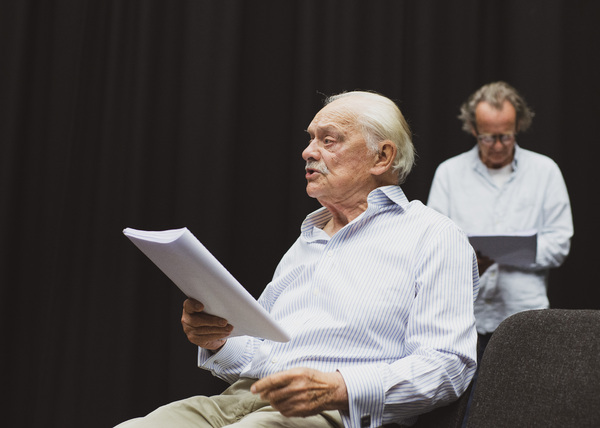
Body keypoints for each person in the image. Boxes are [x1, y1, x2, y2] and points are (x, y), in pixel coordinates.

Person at [116, 91, 479, 428]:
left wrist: (339, 388)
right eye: (310, 138)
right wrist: (218, 340)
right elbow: (264, 353)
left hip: (336, 413)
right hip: (244, 398)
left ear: (381, 157)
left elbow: (449, 366)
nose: (308, 151)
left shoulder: (433, 235)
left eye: (328, 139)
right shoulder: (309, 239)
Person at [427, 81, 574, 360]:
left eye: (505, 136)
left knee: (526, 400)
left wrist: (511, 252)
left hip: (526, 317)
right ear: (473, 129)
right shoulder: (449, 173)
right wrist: (470, 260)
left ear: (518, 126)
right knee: (470, 403)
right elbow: (435, 245)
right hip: (465, 317)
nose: (496, 145)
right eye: (487, 137)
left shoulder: (545, 171)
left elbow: (559, 243)